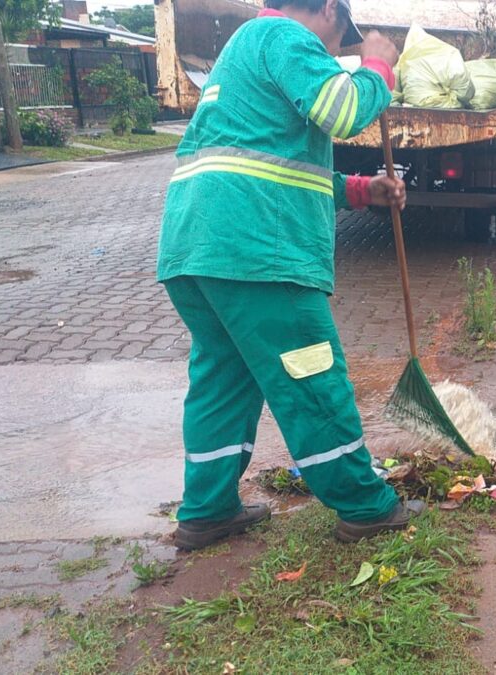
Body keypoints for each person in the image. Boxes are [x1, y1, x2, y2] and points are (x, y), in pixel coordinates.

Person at [156, 0, 424, 551]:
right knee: (311, 374)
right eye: (336, 39)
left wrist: (357, 189)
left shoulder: (243, 52)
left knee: (223, 381)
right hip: (258, 251)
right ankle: (364, 505)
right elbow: (344, 111)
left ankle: (207, 511)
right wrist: (376, 65)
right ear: (328, 8)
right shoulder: (283, 35)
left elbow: (274, 163)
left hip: (198, 246)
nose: (331, 53)